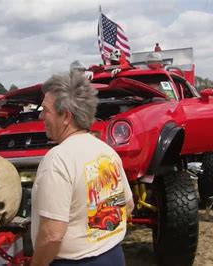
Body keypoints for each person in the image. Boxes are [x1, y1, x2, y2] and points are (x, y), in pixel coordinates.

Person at [30, 72, 134, 266]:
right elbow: (127, 206)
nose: (41, 116)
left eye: (46, 110)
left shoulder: (58, 159)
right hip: (113, 256)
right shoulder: (107, 151)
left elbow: (52, 234)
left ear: (66, 116)